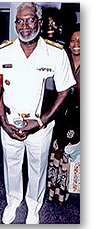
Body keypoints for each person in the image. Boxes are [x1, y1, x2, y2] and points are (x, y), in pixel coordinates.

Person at [0, 2, 76, 224]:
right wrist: (3, 120)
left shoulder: (56, 52)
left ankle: (33, 206)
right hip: (10, 121)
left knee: (37, 168)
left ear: (39, 23)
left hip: (40, 124)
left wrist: (41, 122)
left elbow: (65, 92)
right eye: (20, 21)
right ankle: (13, 201)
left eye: (30, 19)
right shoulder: (4, 52)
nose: (24, 25)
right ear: (15, 24)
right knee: (10, 165)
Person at [47, 24, 80, 206]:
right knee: (57, 152)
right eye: (73, 40)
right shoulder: (63, 58)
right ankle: (54, 192)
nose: (76, 44)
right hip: (61, 114)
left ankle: (69, 193)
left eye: (81, 41)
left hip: (80, 117)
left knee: (72, 155)